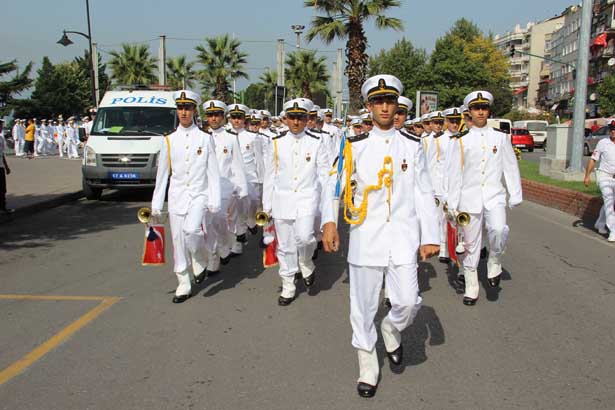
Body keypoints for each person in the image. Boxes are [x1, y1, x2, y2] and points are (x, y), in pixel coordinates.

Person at [321, 75, 440, 398]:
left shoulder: (413, 146)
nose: (385, 107)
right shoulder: (354, 145)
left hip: (402, 236)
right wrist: (329, 222)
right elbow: (334, 185)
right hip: (366, 236)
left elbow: (423, 190)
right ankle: (367, 363)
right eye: (378, 102)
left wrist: (430, 235)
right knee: (362, 306)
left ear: (397, 105)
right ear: (369, 106)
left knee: (408, 301)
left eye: (390, 101)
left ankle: (390, 327)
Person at [447, 91, 523, 306]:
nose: (481, 112)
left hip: (494, 195)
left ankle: (495, 258)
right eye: (476, 108)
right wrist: (452, 203)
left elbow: (510, 166)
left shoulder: (500, 137)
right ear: (469, 112)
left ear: (489, 110)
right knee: (471, 243)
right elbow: (453, 174)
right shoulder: (460, 140)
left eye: (484, 108)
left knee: (498, 229)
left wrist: (515, 193)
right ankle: (471, 284)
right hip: (468, 198)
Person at [151, 90, 221, 303]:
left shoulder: (205, 138)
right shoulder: (169, 140)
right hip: (177, 196)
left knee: (192, 230)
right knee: (178, 240)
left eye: (187, 108)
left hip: (199, 194)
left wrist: (214, 199)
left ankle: (199, 257)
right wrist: (156, 204)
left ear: (194, 110)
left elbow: (213, 172)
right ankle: (183, 281)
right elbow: (162, 174)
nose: (183, 112)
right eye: (180, 108)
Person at [262, 98, 330, 306]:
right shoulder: (276, 142)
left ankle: (306, 260)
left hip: (307, 199)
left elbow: (324, 175)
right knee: (285, 246)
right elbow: (270, 175)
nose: (296, 122)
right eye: (292, 117)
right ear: (286, 118)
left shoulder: (317, 142)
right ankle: (288, 284)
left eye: (300, 117)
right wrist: (266, 206)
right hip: (282, 200)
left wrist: (325, 205)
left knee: (305, 237)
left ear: (307, 118)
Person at [204, 100, 248, 275]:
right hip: (204, 189)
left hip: (225, 187)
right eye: (210, 115)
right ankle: (213, 258)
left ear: (222, 116)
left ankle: (224, 244)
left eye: (217, 115)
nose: (213, 118)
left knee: (220, 221)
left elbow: (237, 165)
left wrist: (242, 188)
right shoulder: (201, 136)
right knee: (207, 225)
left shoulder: (231, 137)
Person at [584, 120, 615, 242]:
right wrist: (587, 176)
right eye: (611, 129)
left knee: (610, 202)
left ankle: (600, 223)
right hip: (604, 176)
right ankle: (613, 230)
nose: (613, 131)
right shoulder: (603, 143)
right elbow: (593, 159)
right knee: (609, 199)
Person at [0, 120, 13, 213]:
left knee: (2, 188)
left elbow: (2, 154)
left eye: (1, 126)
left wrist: (6, 167)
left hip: (1, 166)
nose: (1, 128)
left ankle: (3, 207)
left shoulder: (1, 138)